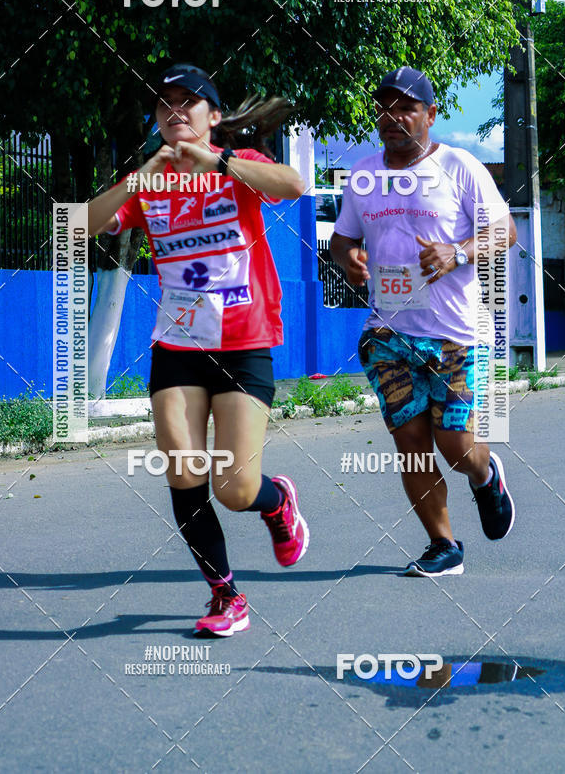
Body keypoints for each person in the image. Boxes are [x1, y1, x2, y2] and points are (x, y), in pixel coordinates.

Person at [88, 63, 310, 634]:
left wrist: (218, 162)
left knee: (234, 488)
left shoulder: (240, 171)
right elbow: (77, 227)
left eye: (190, 102)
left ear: (214, 118)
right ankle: (224, 595)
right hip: (176, 348)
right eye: (165, 104)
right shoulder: (150, 184)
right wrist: (141, 177)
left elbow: (295, 186)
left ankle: (276, 501)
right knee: (185, 473)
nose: (176, 111)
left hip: (244, 343)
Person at [330, 66, 516, 577]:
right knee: (410, 443)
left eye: (406, 108)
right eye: (385, 108)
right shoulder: (364, 176)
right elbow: (343, 237)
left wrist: (458, 252)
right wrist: (348, 257)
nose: (393, 118)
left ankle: (484, 475)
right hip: (387, 333)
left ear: (430, 116)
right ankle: (443, 545)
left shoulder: (460, 167)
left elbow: (506, 231)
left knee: (455, 447)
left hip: (453, 334)